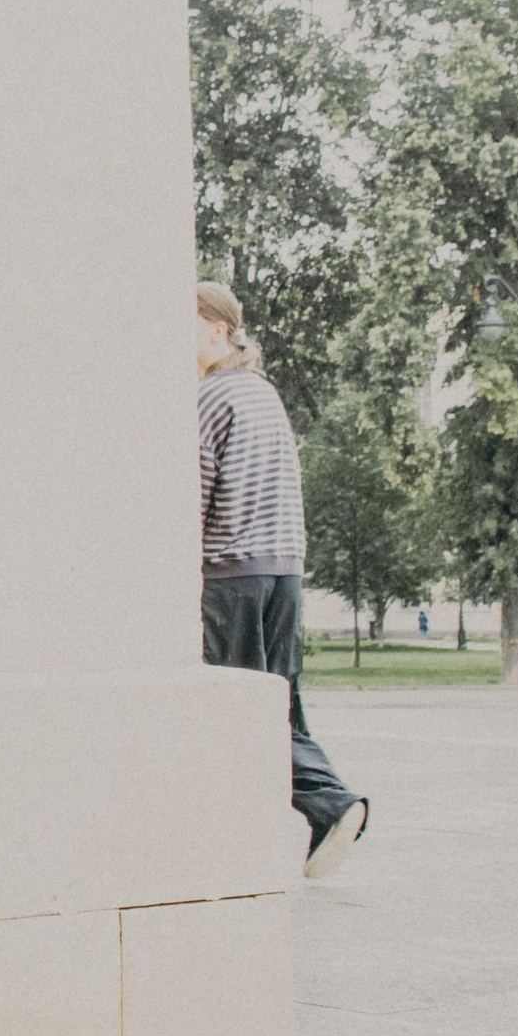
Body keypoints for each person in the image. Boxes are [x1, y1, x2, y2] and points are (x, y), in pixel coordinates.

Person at [196, 282, 367, 874]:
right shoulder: (263, 394)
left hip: (231, 575)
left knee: (233, 709)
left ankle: (328, 804)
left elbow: (196, 491)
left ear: (218, 329)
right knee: (279, 706)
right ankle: (318, 813)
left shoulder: (211, 397)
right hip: (283, 573)